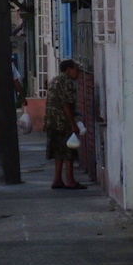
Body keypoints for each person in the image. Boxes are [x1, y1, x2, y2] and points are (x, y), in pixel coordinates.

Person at [45, 59, 85, 189]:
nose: (78, 73)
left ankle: (57, 179)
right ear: (68, 69)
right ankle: (70, 180)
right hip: (62, 122)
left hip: (52, 121)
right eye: (76, 70)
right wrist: (72, 124)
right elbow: (65, 104)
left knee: (58, 151)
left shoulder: (54, 80)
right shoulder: (67, 82)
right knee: (69, 150)